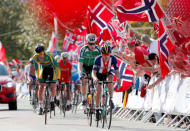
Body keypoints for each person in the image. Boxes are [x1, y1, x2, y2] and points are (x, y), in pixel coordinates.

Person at [92, 44, 121, 121]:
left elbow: (117, 71)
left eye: (108, 54)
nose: (106, 56)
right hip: (98, 75)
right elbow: (93, 72)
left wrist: (118, 78)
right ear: (101, 54)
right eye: (104, 54)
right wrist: (95, 78)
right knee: (98, 90)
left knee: (111, 78)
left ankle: (111, 99)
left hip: (107, 74)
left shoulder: (113, 59)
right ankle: (97, 109)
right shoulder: (97, 59)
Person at [33, 44, 61, 115]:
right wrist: (37, 77)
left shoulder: (49, 55)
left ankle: (52, 100)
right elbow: (36, 69)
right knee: (41, 86)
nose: (40, 55)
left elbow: (57, 66)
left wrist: (58, 78)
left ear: (44, 52)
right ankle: (41, 106)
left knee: (53, 86)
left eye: (41, 53)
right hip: (43, 70)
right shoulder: (35, 57)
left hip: (52, 69)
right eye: (38, 54)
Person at [78, 33, 101, 107]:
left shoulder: (99, 49)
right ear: (87, 43)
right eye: (90, 44)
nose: (92, 46)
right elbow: (80, 64)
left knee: (96, 82)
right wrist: (81, 73)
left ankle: (96, 102)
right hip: (85, 66)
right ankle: (84, 98)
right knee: (84, 81)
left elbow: (102, 62)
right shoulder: (83, 49)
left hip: (93, 67)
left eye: (93, 44)